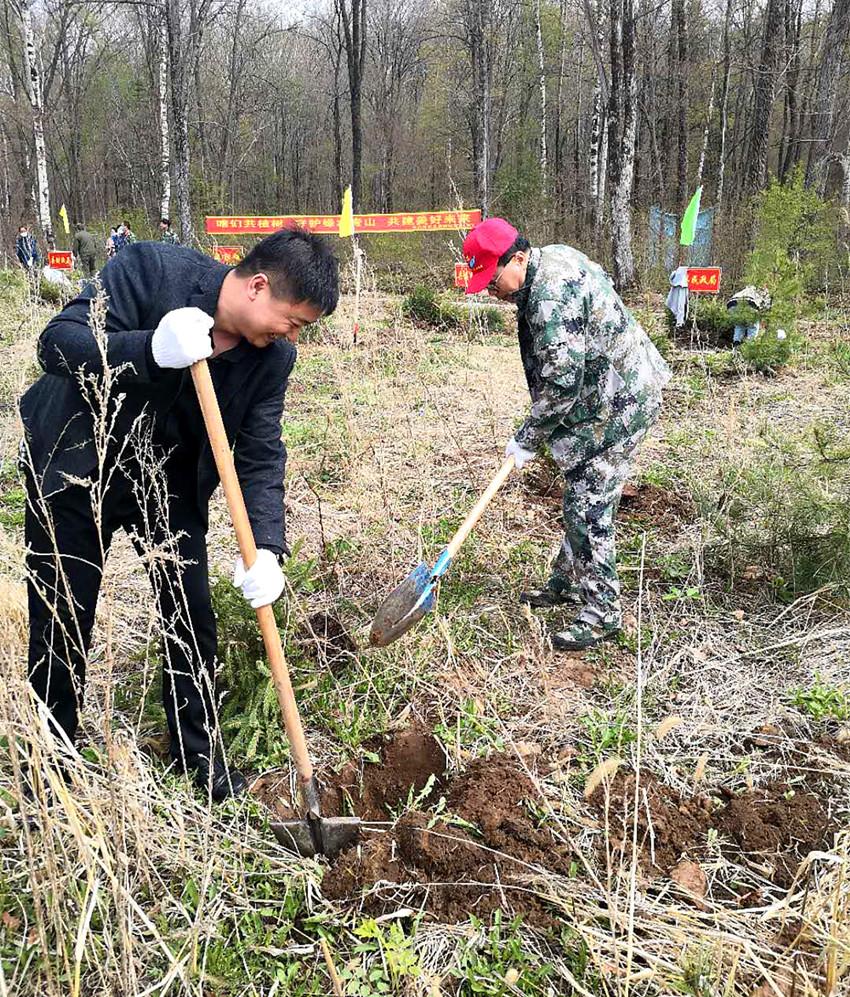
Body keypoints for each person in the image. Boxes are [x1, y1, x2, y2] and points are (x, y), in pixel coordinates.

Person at [19, 228, 339, 799]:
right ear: (258, 286)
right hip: (76, 459)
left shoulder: (271, 361)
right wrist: (148, 349)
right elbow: (57, 343)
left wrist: (267, 545)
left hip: (167, 481)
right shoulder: (151, 270)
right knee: (63, 613)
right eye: (293, 320)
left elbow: (262, 452)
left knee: (191, 614)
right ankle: (51, 765)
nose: (292, 335)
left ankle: (200, 761)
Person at [463, 217, 671, 651]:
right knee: (581, 489)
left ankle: (602, 614)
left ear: (517, 257)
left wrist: (527, 438)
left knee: (587, 503)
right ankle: (569, 582)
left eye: (491, 277)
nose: (489, 289)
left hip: (625, 399)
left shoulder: (549, 296)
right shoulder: (548, 262)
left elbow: (562, 381)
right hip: (609, 393)